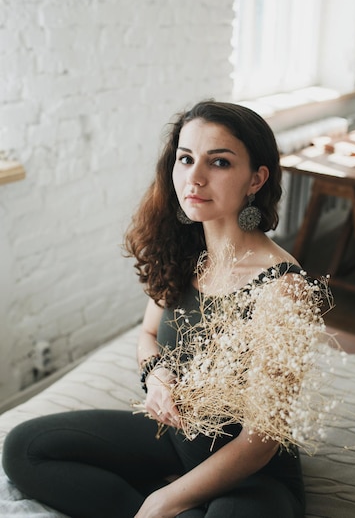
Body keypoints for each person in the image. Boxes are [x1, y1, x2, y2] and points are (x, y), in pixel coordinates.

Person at [2, 99, 307, 517]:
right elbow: (148, 335)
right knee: (25, 449)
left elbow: (260, 441)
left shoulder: (282, 287)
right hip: (175, 439)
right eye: (186, 159)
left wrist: (166, 499)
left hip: (251, 472)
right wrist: (156, 374)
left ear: (256, 178)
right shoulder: (183, 250)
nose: (194, 178)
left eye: (218, 163)